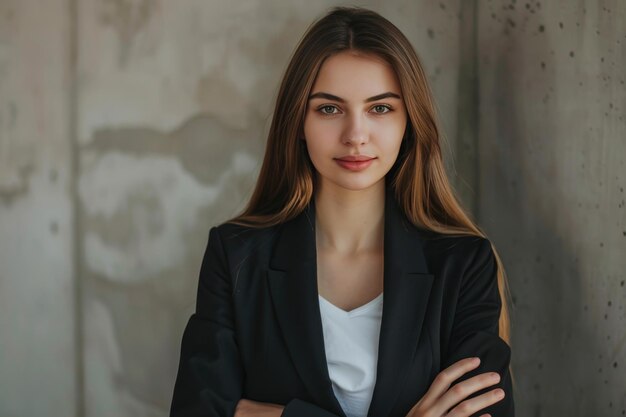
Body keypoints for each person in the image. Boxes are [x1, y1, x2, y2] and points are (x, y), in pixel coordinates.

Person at [170, 6, 515, 417]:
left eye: (380, 108)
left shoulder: (464, 265)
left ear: (410, 122)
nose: (355, 135)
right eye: (329, 109)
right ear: (298, 120)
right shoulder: (236, 255)